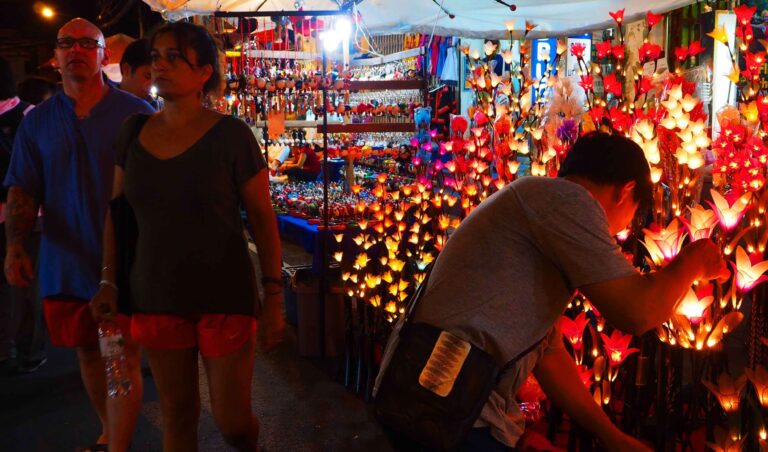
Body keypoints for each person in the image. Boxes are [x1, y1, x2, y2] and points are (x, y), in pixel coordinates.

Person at [375, 132, 729, 451]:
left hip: (436, 397)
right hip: (446, 400)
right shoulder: (568, 201)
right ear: (627, 192)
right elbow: (637, 312)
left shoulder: (542, 200)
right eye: (634, 215)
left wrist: (611, 437)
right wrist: (694, 261)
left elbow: (549, 351)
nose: (621, 231)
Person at [89, 21, 284, 451]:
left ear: (204, 73)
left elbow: (262, 218)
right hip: (156, 293)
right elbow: (118, 214)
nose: (159, 64)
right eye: (156, 56)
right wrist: (108, 279)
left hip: (225, 294)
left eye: (174, 56)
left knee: (233, 422)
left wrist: (274, 296)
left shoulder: (231, 135)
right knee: (178, 414)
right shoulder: (133, 133)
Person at [4, 18, 154, 452]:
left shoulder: (135, 114)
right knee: (87, 350)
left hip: (125, 260)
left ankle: (118, 445)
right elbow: (23, 187)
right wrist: (15, 244)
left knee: (120, 353)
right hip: (65, 260)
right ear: (56, 57)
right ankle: (108, 432)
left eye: (88, 44)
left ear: (104, 55)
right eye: (67, 43)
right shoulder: (37, 123)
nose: (77, 51)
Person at [0, 56, 46, 376]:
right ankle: (30, 349)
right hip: (31, 215)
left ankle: (7, 348)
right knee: (27, 283)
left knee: (10, 287)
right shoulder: (32, 115)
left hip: (23, 213)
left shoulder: (30, 116)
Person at [118, 38, 158, 109]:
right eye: (147, 76)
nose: (152, 84)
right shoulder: (104, 104)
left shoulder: (156, 109)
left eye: (157, 78)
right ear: (126, 69)